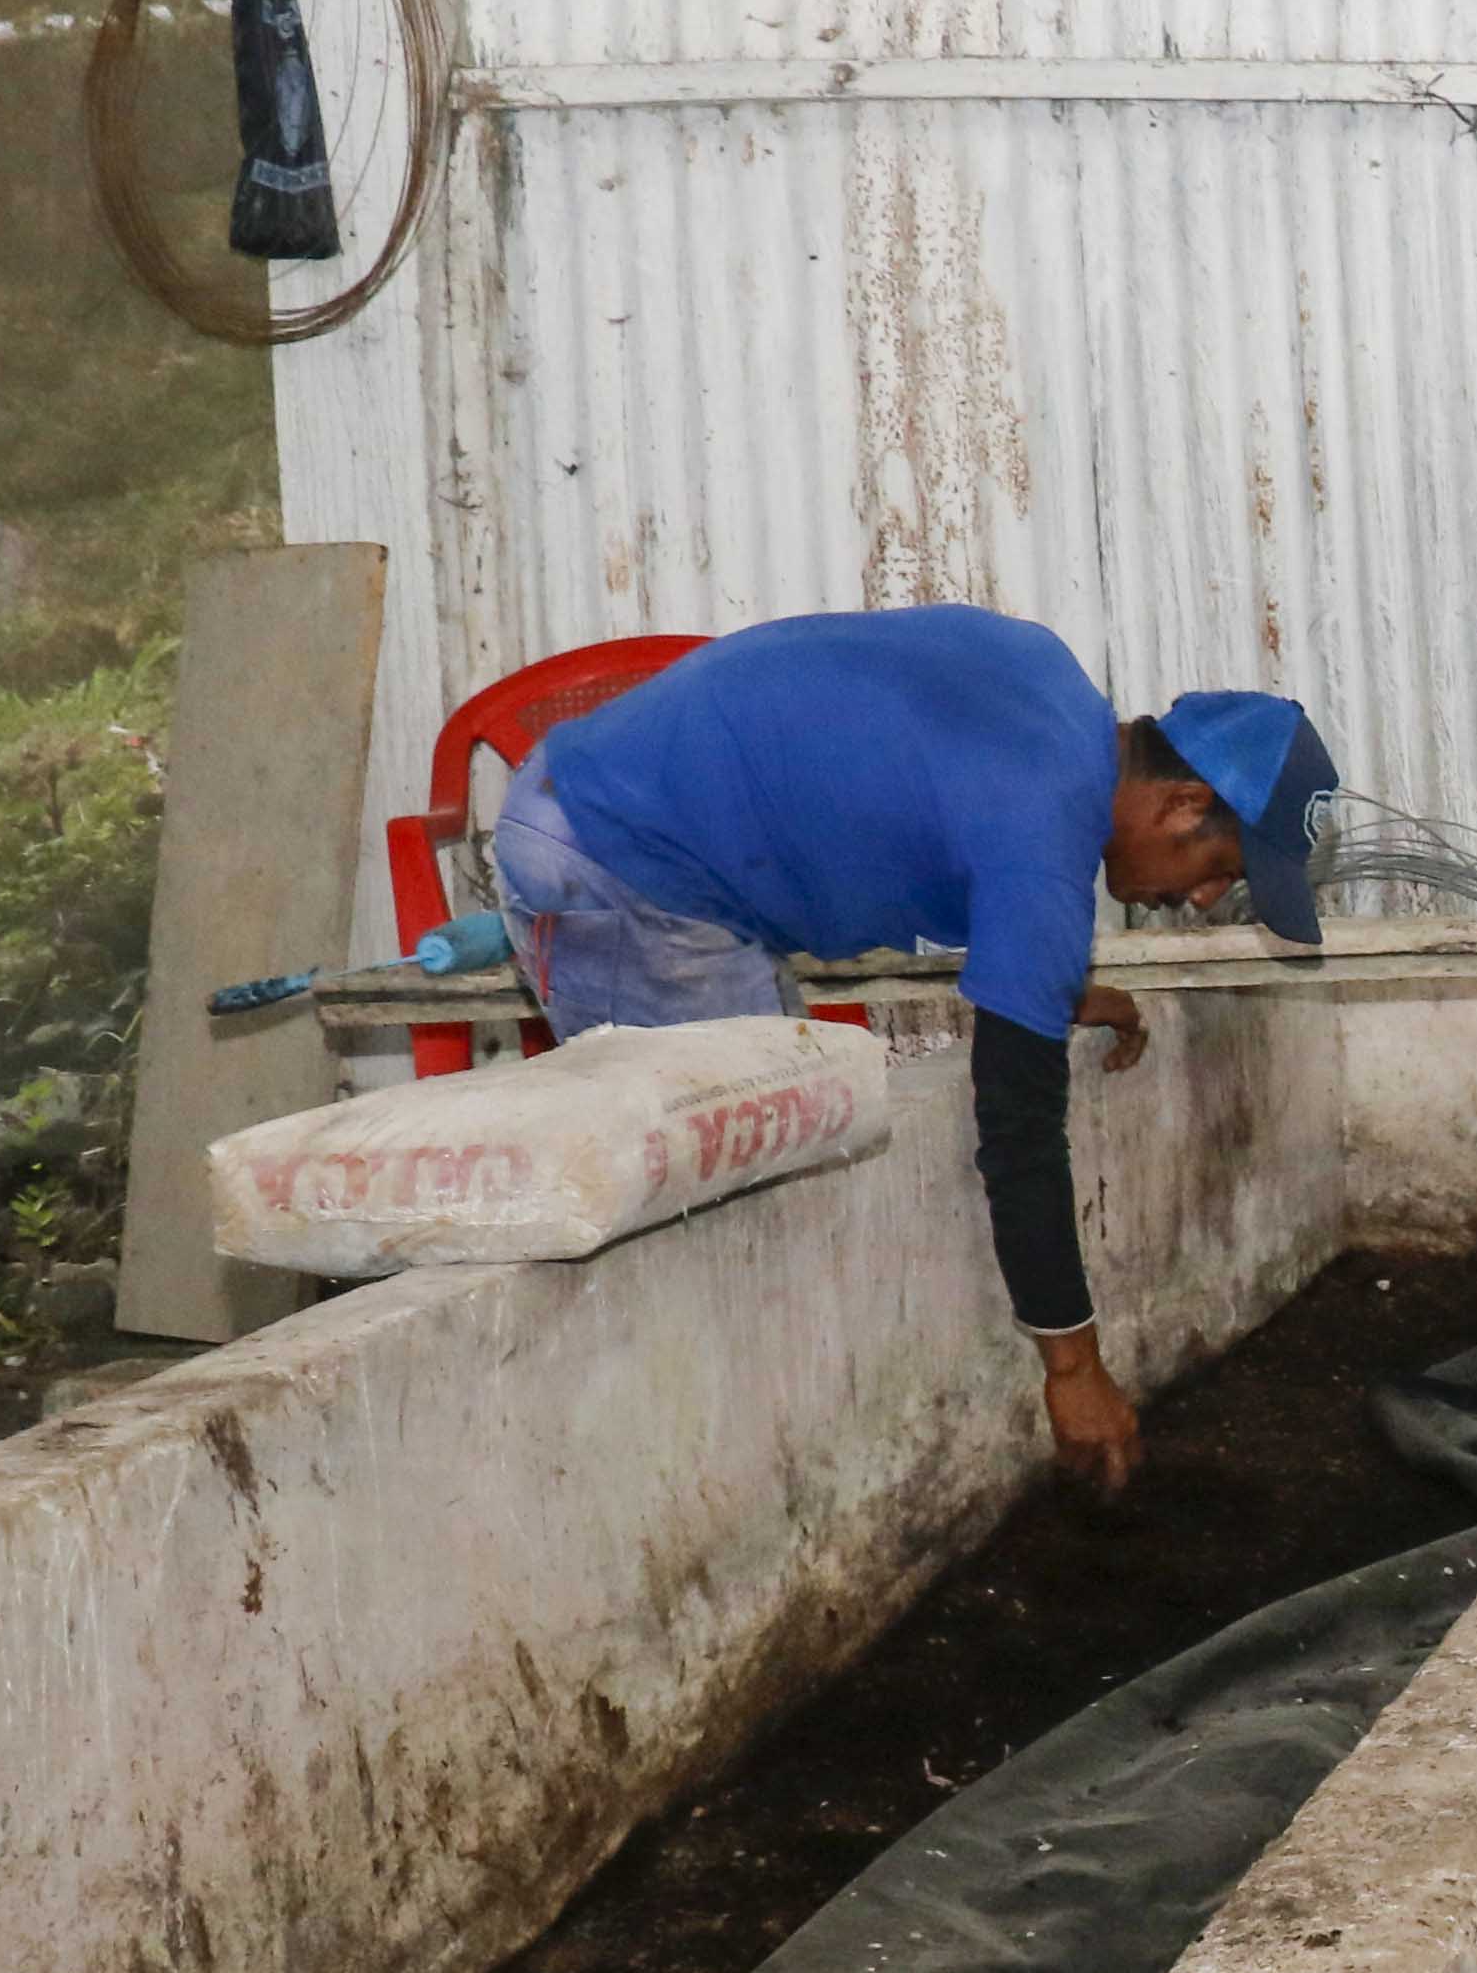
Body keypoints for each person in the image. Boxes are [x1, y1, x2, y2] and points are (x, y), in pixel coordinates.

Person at [487, 602, 1333, 1503]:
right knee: (726, 1213)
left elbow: (897, 786)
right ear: (1183, 802)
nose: (1204, 901)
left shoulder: (1050, 685)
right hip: (617, 855)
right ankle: (665, 1495)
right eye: (1222, 870)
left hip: (635, 827)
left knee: (781, 1143)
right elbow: (1016, 1134)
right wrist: (1073, 1370)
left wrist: (1045, 984)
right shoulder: (1042, 841)